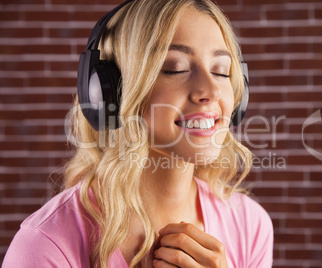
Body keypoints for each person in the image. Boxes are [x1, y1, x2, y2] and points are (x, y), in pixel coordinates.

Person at [2, 0, 273, 267]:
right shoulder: (46, 245)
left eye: (220, 71)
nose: (211, 90)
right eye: (175, 68)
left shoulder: (251, 226)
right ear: (110, 94)